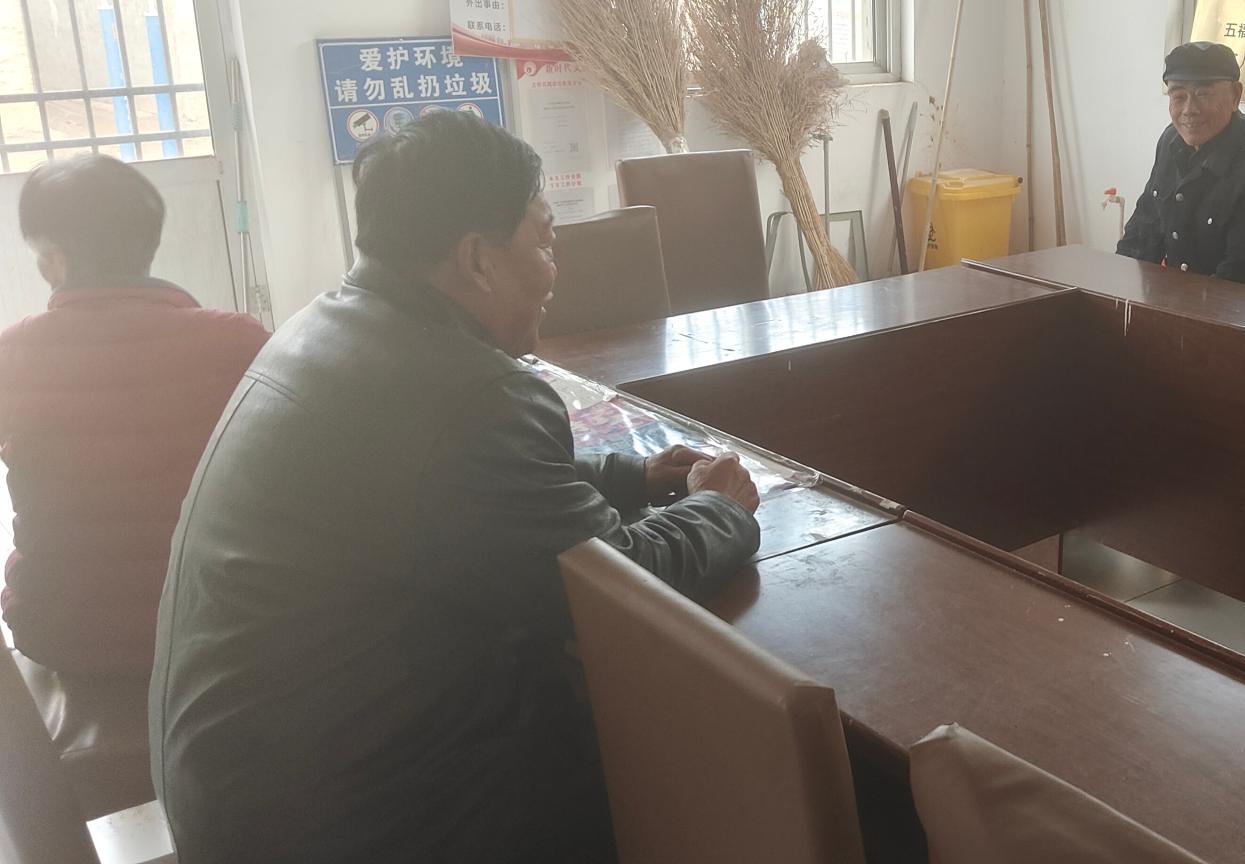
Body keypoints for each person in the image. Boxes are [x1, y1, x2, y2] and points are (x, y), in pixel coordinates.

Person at [150, 112, 763, 863]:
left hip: (243, 798)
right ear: (477, 259)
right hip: (356, 823)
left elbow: (451, 493)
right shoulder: (470, 395)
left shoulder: (325, 328)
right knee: (692, 774)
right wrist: (718, 509)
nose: (554, 269)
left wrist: (628, 475)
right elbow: (618, 595)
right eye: (544, 240)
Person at [0, 155, 268, 678]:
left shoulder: (11, 356)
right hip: (217, 626)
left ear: (54, 260)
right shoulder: (238, 341)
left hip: (62, 631)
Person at [1117, 41, 1245, 295]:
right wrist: (1115, 294)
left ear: (1235, 96)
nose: (1189, 110)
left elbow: (1241, 282)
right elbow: (1142, 232)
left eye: (1203, 94)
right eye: (1178, 96)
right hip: (1180, 303)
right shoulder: (1171, 141)